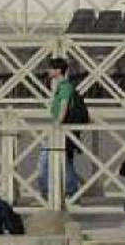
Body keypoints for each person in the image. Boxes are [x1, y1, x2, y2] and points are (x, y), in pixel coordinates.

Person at [36, 57, 80, 198]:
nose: (48, 71)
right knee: (64, 161)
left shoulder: (65, 87)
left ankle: (49, 191)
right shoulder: (62, 86)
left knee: (46, 162)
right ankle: (67, 190)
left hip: (59, 129)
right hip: (58, 128)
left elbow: (63, 108)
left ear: (58, 71)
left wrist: (56, 127)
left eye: (50, 68)